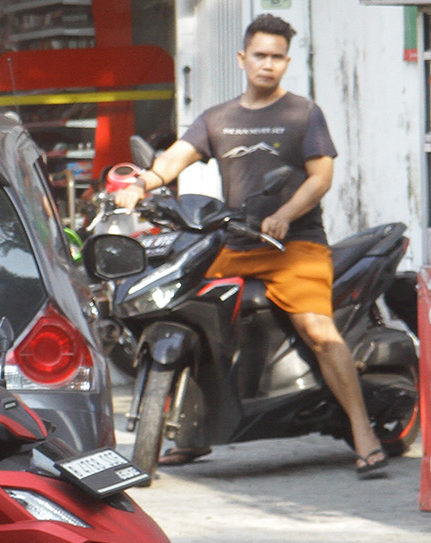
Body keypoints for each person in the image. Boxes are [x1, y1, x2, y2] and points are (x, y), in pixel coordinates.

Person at [115, 14, 388, 478]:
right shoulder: (218, 118)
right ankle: (191, 431)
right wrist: (142, 183)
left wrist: (285, 215)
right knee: (183, 309)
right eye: (259, 55)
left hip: (295, 244)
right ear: (242, 59)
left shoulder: (303, 113)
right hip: (235, 243)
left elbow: (321, 177)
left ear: (286, 61)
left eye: (277, 57)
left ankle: (364, 433)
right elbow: (173, 160)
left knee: (319, 332)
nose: (268, 64)